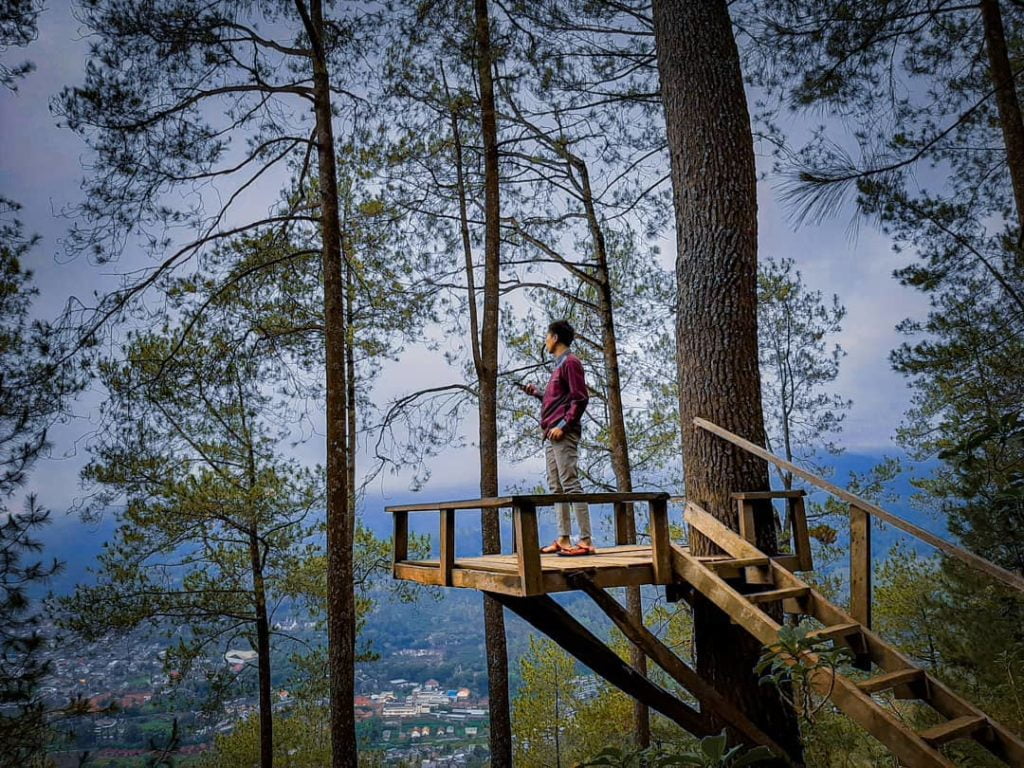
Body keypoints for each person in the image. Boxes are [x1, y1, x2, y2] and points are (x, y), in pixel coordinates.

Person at [520, 320, 594, 556]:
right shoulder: (560, 365)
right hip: (551, 433)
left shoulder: (570, 362)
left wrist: (563, 425)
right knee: (556, 487)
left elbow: (580, 398)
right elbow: (558, 401)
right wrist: (537, 393)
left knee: (570, 484)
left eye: (547, 336)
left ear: (555, 338)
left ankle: (585, 541)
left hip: (563, 432)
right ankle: (563, 538)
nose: (545, 341)